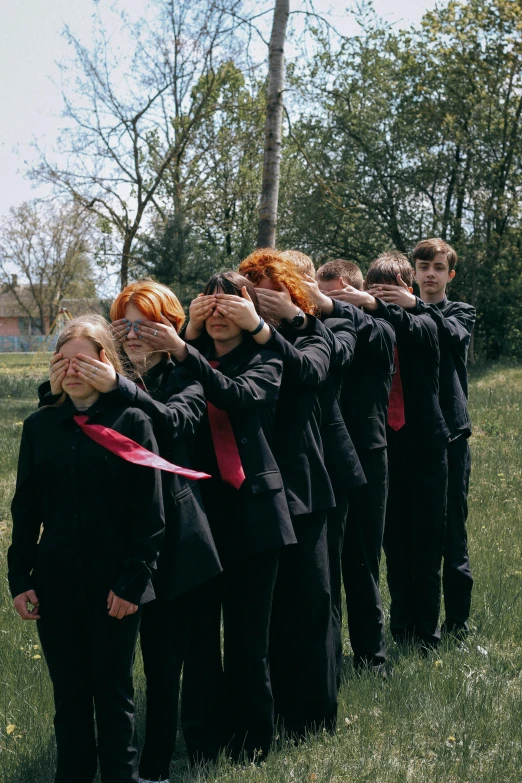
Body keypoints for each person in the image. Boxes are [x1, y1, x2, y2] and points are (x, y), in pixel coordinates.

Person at [42, 282, 222, 783]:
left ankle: (158, 766)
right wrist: (66, 378)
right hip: (116, 546)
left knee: (165, 668)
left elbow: (170, 424)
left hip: (175, 544)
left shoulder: (187, 376)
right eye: (124, 323)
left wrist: (117, 384)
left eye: (146, 323)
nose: (135, 334)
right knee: (112, 670)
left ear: (171, 324)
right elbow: (65, 420)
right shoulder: (102, 380)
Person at [9, 315, 165, 783]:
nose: (72, 368)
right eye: (63, 358)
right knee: (70, 696)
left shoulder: (133, 420)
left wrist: (133, 582)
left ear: (105, 362)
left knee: (113, 693)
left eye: (83, 359)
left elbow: (150, 513)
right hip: (57, 581)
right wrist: (20, 580)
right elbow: (26, 508)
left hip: (116, 584)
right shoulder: (41, 426)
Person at [150, 271, 295, 764]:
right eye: (206, 306)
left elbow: (235, 395)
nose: (216, 314)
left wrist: (187, 351)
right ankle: (203, 745)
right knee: (199, 640)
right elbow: (162, 405)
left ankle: (252, 744)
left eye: (228, 306)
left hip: (254, 513)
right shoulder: (178, 366)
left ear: (249, 312)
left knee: (248, 638)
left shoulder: (266, 357)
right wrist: (185, 343)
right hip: (199, 518)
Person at [236, 249, 338, 737]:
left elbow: (308, 370)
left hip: (302, 486)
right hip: (253, 488)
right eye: (251, 290)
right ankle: (271, 712)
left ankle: (314, 717)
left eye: (269, 289)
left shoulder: (318, 330)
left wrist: (275, 322)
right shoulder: (241, 341)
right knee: (266, 612)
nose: (261, 299)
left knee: (310, 603)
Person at [334, 252, 449, 651]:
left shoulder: (424, 322)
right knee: (394, 547)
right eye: (376, 287)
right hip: (385, 449)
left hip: (426, 448)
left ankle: (428, 635)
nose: (385, 294)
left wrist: (386, 304)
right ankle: (401, 632)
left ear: (409, 287)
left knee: (426, 543)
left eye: (394, 287)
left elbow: (420, 331)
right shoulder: (369, 325)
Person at [368, 239, 476, 638]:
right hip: (406, 437)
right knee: (406, 534)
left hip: (451, 436)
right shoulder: (395, 314)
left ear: (450, 274)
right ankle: (410, 624)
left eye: (438, 267)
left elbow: (451, 334)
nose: (430, 273)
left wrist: (412, 306)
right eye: (423, 266)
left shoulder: (459, 311)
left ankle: (458, 625)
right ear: (413, 272)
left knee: (451, 534)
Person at [280, 250, 366, 689]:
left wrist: (299, 316)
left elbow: (335, 359)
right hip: (284, 468)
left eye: (296, 281)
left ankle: (325, 678)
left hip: (328, 465)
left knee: (323, 582)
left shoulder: (335, 320)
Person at [315, 259, 395, 675]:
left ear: (358, 293)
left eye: (339, 296)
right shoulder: (317, 332)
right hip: (327, 459)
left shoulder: (378, 328)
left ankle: (372, 660)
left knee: (362, 562)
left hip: (368, 455)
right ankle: (330, 661)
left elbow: (372, 336)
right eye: (323, 296)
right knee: (326, 567)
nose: (328, 304)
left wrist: (340, 307)